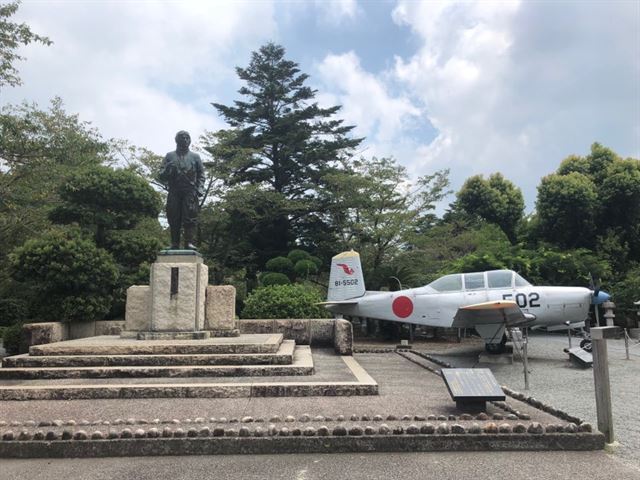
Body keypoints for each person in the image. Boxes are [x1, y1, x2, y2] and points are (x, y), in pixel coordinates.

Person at [158, 130, 205, 250]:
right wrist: (168, 168)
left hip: (190, 191)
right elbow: (161, 176)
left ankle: (189, 242)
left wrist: (199, 188)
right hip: (174, 190)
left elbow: (201, 174)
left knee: (190, 217)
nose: (184, 140)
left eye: (187, 138)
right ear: (176, 140)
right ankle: (174, 243)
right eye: (182, 138)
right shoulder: (170, 156)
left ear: (189, 141)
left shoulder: (195, 157)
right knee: (173, 217)